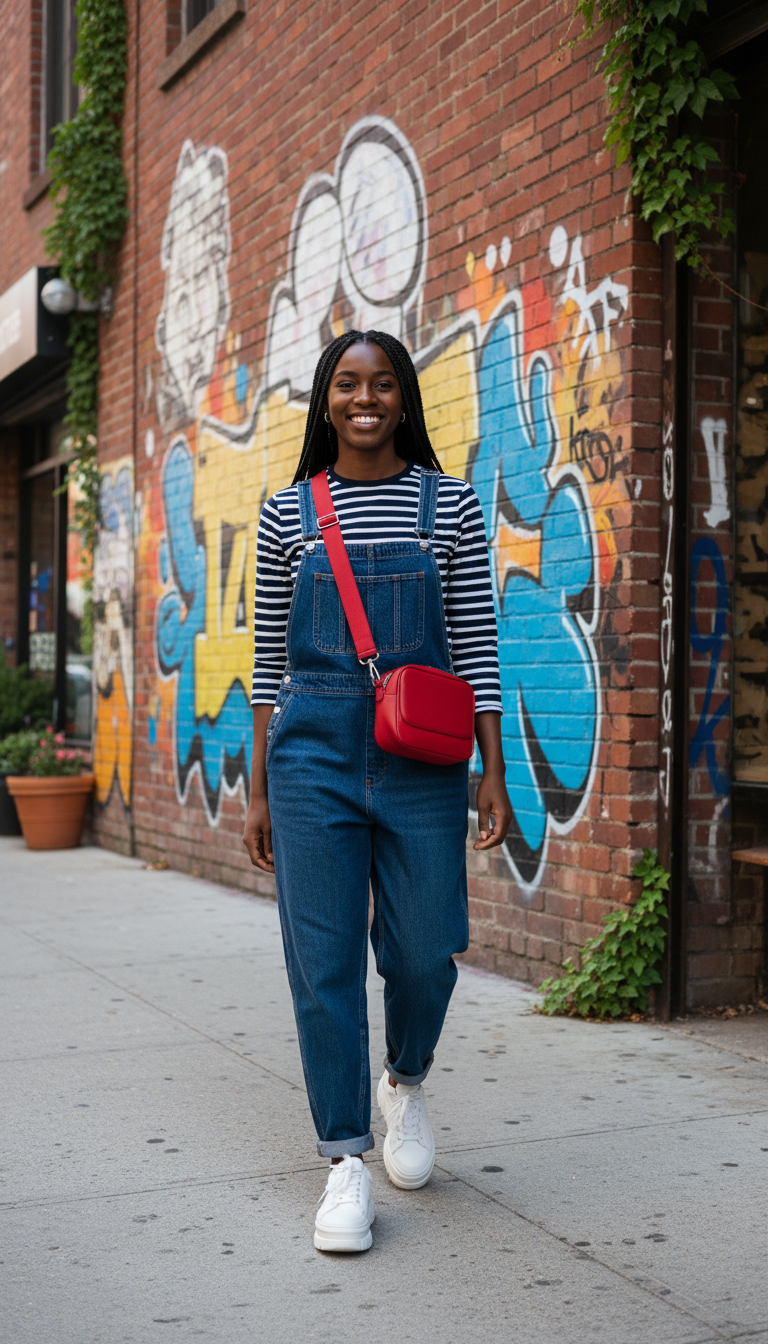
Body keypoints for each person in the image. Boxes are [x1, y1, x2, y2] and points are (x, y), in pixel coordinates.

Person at [243, 330, 511, 1253]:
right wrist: (258, 791)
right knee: (321, 966)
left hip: (425, 760)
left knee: (429, 949)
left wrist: (494, 775)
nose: (366, 398)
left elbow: (476, 646)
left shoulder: (452, 507)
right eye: (348, 384)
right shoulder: (287, 515)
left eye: (383, 384)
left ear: (405, 399)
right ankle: (346, 1163)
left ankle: (407, 1078)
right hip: (310, 755)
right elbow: (268, 667)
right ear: (326, 402)